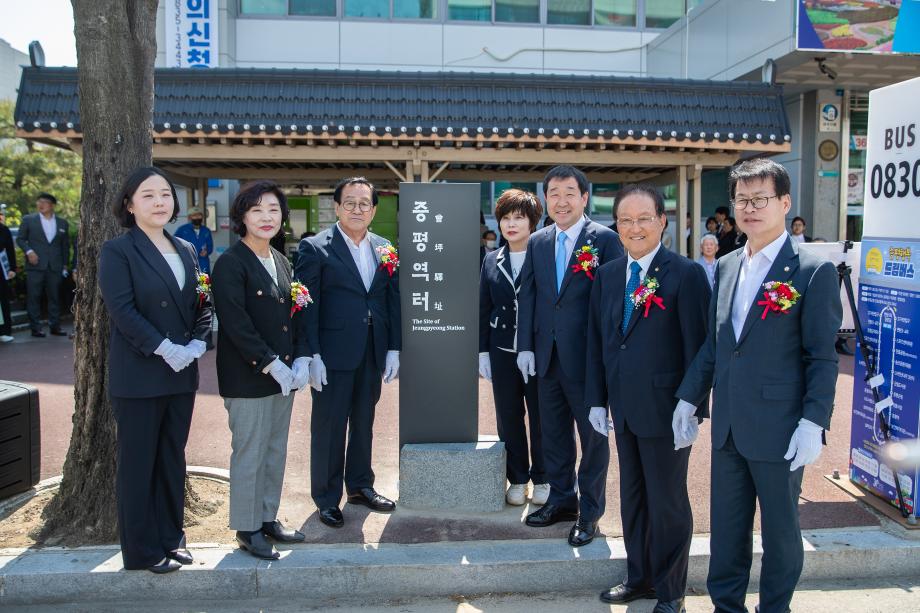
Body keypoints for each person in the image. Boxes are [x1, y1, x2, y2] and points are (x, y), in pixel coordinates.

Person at [676, 158, 841, 613]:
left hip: (780, 427)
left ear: (784, 202)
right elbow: (716, 345)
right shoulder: (727, 266)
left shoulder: (811, 270)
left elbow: (821, 356)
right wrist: (689, 397)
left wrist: (813, 421)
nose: (750, 208)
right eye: (742, 200)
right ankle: (726, 606)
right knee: (727, 529)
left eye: (760, 199)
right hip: (729, 425)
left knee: (780, 531)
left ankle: (775, 608)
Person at [585, 184, 710, 613]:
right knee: (634, 496)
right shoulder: (607, 275)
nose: (634, 227)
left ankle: (671, 591)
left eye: (643, 219)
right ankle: (639, 577)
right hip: (623, 407)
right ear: (615, 225)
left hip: (667, 411)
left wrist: (691, 404)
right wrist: (596, 400)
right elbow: (599, 344)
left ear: (662, 221)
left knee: (668, 500)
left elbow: (699, 347)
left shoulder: (686, 274)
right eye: (625, 220)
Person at [98, 167, 212, 574]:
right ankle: (142, 551)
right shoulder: (119, 250)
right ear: (129, 205)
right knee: (138, 463)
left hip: (181, 374)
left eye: (165, 194)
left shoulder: (186, 248)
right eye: (148, 196)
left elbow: (203, 301)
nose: (160, 202)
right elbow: (122, 311)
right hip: (140, 373)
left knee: (171, 459)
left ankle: (171, 536)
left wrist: (199, 341)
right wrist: (164, 348)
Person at [516, 165, 624, 547]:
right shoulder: (539, 240)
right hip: (547, 357)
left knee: (593, 439)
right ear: (546, 199)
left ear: (584, 197)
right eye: (554, 193)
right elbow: (528, 294)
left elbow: (613, 304)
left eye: (568, 193)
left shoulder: (606, 241)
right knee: (553, 436)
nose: (560, 201)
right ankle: (561, 500)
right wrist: (525, 344)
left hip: (589, 361)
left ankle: (590, 512)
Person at [211, 180, 311, 560]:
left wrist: (300, 358)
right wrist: (270, 362)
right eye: (256, 210)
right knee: (250, 452)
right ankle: (247, 527)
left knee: (274, 448)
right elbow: (236, 324)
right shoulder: (231, 264)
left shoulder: (281, 260)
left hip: (282, 376)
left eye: (273, 209)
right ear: (241, 217)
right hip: (248, 377)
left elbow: (293, 316)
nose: (266, 217)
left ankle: (267, 517)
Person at [295, 177, 401, 529]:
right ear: (337, 207)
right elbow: (307, 305)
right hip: (333, 353)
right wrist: (311, 354)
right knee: (329, 427)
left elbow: (391, 300)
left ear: (373, 209)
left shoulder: (384, 246)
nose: (358, 209)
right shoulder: (315, 247)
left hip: (372, 350)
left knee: (364, 423)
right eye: (350, 203)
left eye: (365, 203)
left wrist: (394, 348)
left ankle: (359, 486)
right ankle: (326, 498)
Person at [479, 189, 548, 506]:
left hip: (539, 353)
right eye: (505, 217)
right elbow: (483, 307)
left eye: (519, 217)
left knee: (542, 416)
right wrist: (482, 352)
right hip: (502, 351)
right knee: (508, 417)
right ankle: (518, 478)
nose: (511, 223)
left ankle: (544, 477)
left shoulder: (545, 258)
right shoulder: (492, 260)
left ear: (533, 222)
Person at [16, 193, 71, 337]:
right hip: (35, 266)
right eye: (39, 201)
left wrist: (65, 264)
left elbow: (65, 246)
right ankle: (36, 328)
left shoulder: (62, 223)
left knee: (54, 297)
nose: (41, 204)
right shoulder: (28, 220)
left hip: (55, 266)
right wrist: (29, 251)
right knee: (34, 297)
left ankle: (55, 326)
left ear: (52, 205)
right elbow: (20, 239)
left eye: (44, 202)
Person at [174, 206, 214, 274]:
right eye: (194, 215)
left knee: (204, 284)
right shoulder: (182, 230)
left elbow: (210, 246)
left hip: (203, 266)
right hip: (187, 265)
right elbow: (174, 243)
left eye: (199, 215)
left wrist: (207, 252)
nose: (197, 217)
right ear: (190, 217)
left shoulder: (206, 231)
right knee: (190, 284)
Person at [1, 206, 16, 343]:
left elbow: (10, 250)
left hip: (1, 270)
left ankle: (4, 331)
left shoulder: (3, 230)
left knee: (2, 300)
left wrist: (12, 268)